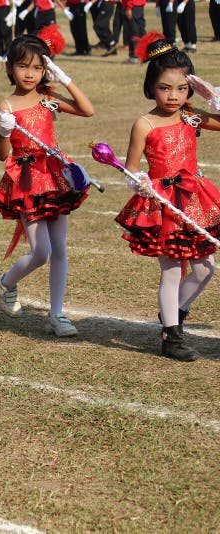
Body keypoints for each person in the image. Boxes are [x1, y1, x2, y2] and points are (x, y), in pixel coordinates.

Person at [115, 35, 220, 361]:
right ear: (151, 87)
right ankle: (171, 338)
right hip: (161, 203)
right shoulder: (144, 123)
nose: (173, 96)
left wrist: (214, 99)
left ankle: (173, 314)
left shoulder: (191, 115)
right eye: (164, 88)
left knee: (205, 268)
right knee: (172, 270)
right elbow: (130, 169)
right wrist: (141, 183)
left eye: (181, 89)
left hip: (195, 197)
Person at [0, 35, 93, 337]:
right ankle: (6, 282)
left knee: (60, 249)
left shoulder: (48, 97)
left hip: (55, 175)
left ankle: (57, 314)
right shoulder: (6, 104)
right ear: (10, 68)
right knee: (41, 252)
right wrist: (4, 131)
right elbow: (1, 154)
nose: (29, 74)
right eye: (23, 66)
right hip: (26, 180)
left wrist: (65, 80)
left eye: (37, 67)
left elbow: (87, 110)